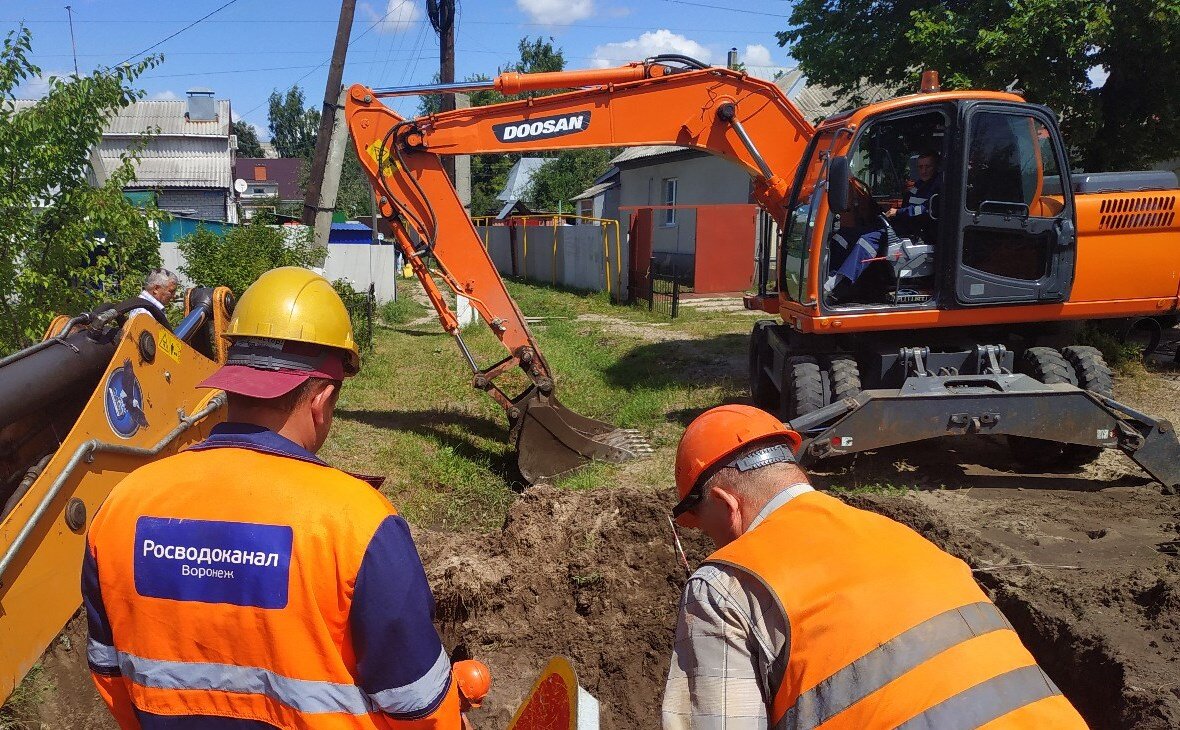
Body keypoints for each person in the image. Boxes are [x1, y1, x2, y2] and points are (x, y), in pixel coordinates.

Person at [83, 267, 466, 729]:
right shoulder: (358, 524)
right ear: (322, 399)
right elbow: (420, 709)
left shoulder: (121, 506)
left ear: (231, 382)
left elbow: (109, 676)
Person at [662, 404, 1088, 729]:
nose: (714, 546)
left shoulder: (724, 584)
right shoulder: (900, 537)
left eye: (706, 530)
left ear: (725, 505)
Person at [887, 151, 942, 244]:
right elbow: (909, 198)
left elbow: (925, 209)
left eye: (928, 166)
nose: (924, 171)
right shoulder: (919, 185)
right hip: (910, 226)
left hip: (924, 232)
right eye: (920, 167)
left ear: (935, 167)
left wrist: (898, 212)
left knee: (871, 238)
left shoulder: (938, 187)